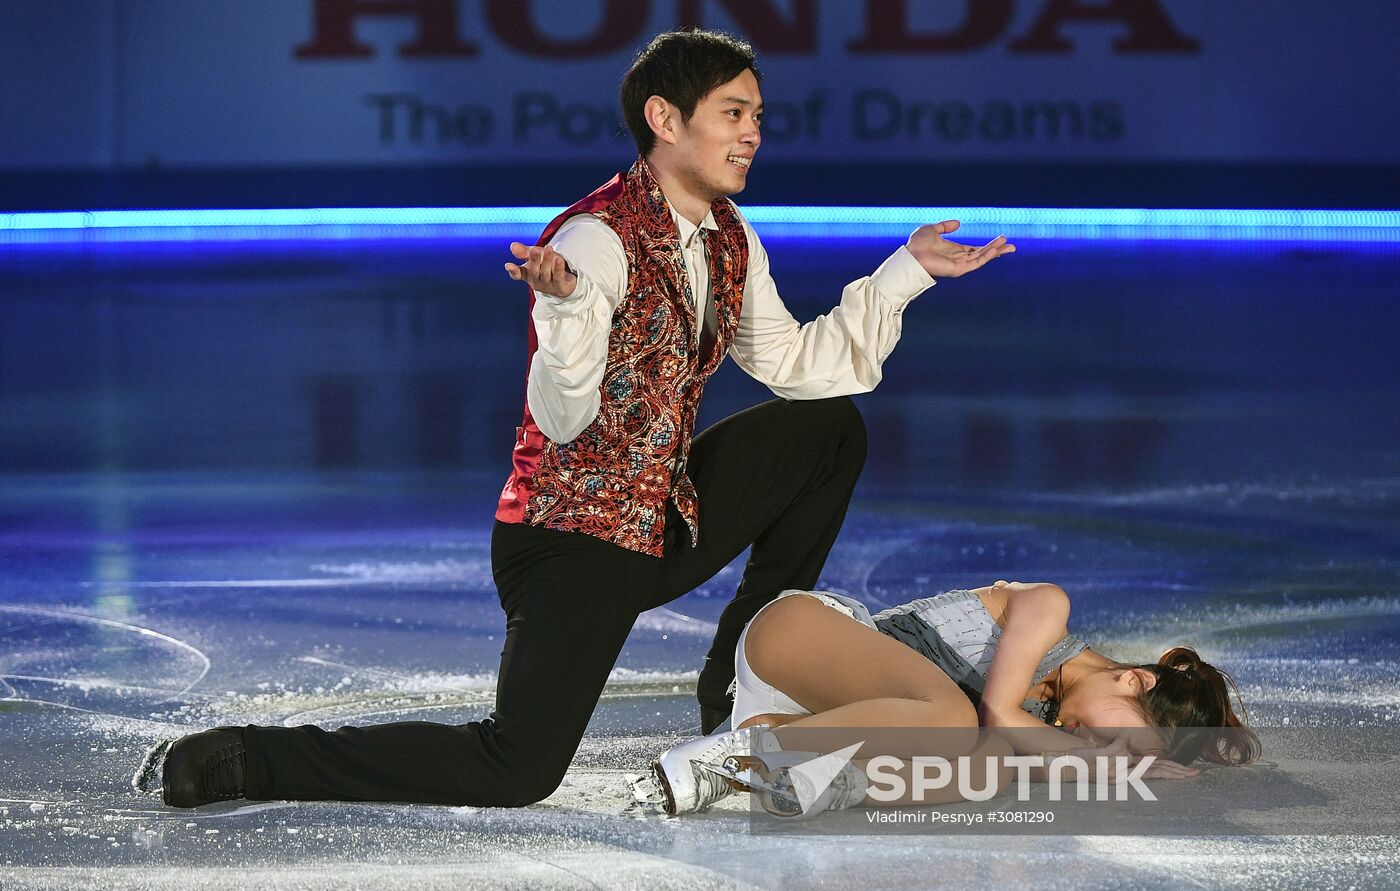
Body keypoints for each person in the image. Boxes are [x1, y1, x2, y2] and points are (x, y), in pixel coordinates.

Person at [155, 28, 1015, 809]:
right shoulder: (594, 242)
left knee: (827, 429)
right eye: (734, 113)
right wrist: (565, 313)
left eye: (757, 114)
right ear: (664, 119)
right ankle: (255, 757)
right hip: (572, 538)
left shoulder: (727, 235)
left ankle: (735, 685)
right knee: (517, 765)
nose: (754, 132)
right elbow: (564, 419)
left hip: (665, 516)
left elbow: (795, 366)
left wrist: (907, 270)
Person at [637, 581, 1260, 817]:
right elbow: (997, 711)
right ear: (1135, 680)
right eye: (1116, 734)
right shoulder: (1048, 609)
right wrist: (1105, 766)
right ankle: (749, 754)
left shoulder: (1043, 726)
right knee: (967, 725)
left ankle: (806, 777)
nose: (1095, 745)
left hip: (806, 714)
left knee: (993, 766)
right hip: (800, 638)